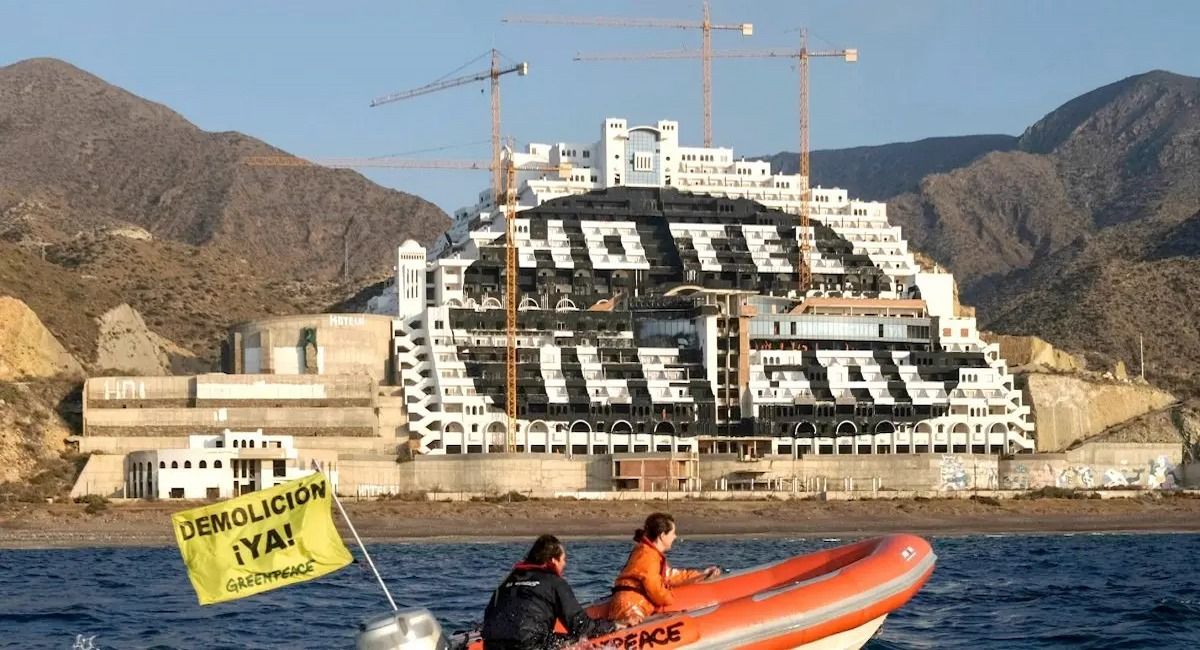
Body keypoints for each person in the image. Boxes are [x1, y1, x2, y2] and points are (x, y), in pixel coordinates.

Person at [481, 534, 617, 650]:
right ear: (553, 560)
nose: (565, 564)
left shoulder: (506, 581)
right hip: (530, 644)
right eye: (563, 559)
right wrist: (613, 625)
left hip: (492, 645)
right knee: (579, 641)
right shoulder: (554, 582)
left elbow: (489, 617)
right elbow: (581, 627)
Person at [608, 512, 720, 626]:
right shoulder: (648, 556)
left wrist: (701, 575)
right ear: (662, 535)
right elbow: (654, 587)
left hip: (630, 603)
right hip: (630, 606)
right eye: (673, 533)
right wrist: (669, 599)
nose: (675, 536)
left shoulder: (649, 553)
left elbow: (670, 576)